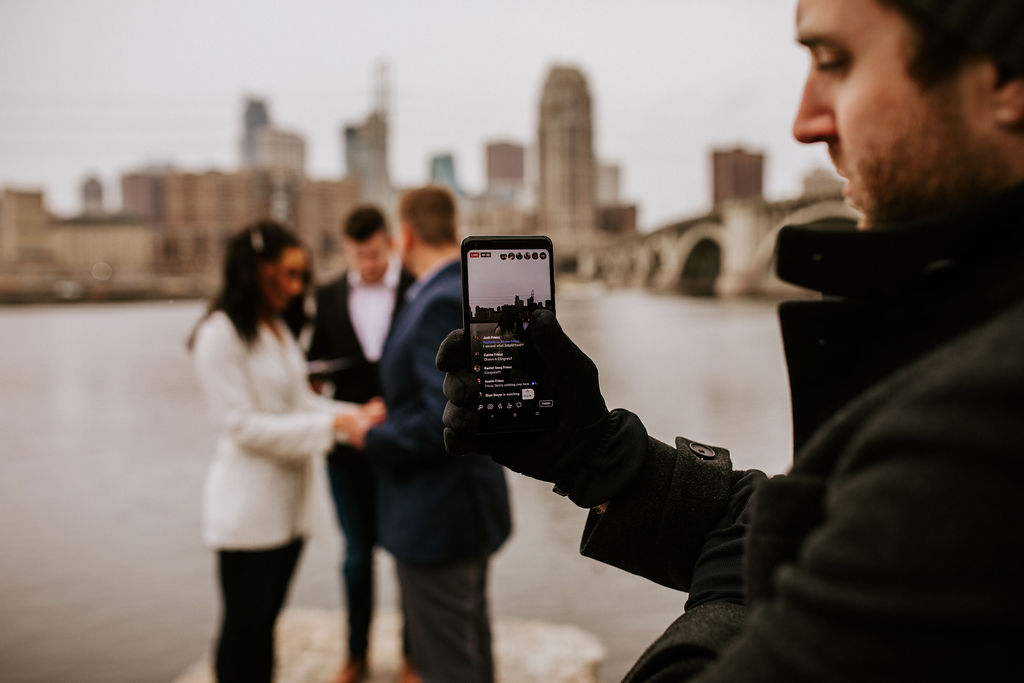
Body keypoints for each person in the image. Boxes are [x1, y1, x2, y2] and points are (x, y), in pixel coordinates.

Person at [438, 0, 1024, 680]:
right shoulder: (964, 344)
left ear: (1006, 78)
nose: (805, 121)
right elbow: (804, 525)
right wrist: (604, 459)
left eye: (834, 61)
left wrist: (719, 611)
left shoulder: (986, 425)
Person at [189, 220, 383, 683]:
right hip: (247, 514)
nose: (297, 288)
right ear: (256, 270)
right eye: (287, 274)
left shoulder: (274, 328)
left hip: (288, 512)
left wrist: (357, 413)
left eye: (302, 276)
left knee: (266, 624)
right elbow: (241, 427)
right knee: (244, 629)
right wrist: (336, 424)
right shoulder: (220, 333)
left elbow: (300, 402)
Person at [348, 186, 512, 683]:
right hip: (466, 509)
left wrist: (369, 436)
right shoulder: (469, 289)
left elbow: (445, 422)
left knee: (447, 664)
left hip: (437, 518)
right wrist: (393, 411)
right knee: (472, 649)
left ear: (407, 234)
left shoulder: (436, 300)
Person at [306, 205, 414, 683]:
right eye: (357, 257)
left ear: (389, 243)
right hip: (348, 445)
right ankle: (356, 655)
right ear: (347, 251)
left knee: (409, 550)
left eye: (373, 254)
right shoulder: (327, 296)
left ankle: (413, 655)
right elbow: (312, 369)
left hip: (401, 443)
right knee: (355, 556)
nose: (367, 265)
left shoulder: (414, 288)